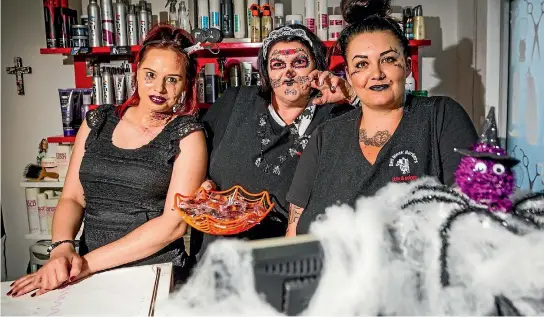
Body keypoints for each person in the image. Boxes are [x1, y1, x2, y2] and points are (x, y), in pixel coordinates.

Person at [8, 25, 207, 297]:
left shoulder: (187, 135)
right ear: (136, 71)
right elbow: (72, 198)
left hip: (153, 275)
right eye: (150, 75)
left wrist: (85, 264)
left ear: (186, 83)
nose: (159, 88)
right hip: (87, 273)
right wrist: (63, 248)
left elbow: (173, 225)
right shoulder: (98, 121)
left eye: (172, 79)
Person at [286, 0, 478, 236]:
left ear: (407, 66)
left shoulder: (439, 118)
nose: (376, 74)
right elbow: (294, 228)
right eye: (362, 64)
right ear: (350, 75)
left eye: (388, 59)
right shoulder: (325, 137)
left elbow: (474, 220)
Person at [192, 24, 353, 258]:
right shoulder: (235, 102)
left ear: (318, 68)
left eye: (299, 63)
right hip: (216, 257)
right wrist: (203, 183)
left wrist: (352, 94)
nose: (288, 73)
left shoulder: (336, 119)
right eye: (278, 64)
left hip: (288, 259)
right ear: (266, 73)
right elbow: (194, 154)